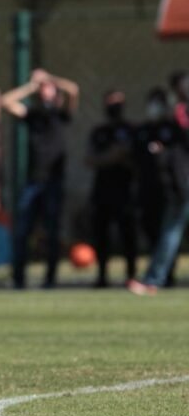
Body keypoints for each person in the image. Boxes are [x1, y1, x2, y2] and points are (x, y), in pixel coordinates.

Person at [2, 68, 79, 289]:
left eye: (49, 88)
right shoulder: (33, 114)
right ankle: (19, 279)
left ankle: (50, 279)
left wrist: (50, 79)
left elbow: (73, 90)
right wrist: (31, 86)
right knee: (22, 231)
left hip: (53, 181)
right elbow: (6, 102)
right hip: (33, 180)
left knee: (52, 231)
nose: (46, 90)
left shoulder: (61, 115)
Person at [128, 87, 189, 296]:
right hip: (175, 187)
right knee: (169, 232)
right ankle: (155, 278)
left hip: (182, 185)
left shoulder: (178, 127)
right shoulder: (154, 129)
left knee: (170, 232)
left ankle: (154, 279)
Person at [84, 90, 137, 287]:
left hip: (125, 190)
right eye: (110, 103)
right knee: (101, 234)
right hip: (102, 190)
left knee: (127, 234)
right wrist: (113, 156)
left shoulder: (132, 130)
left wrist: (115, 157)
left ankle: (131, 275)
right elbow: (89, 159)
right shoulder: (99, 131)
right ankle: (102, 276)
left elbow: (135, 160)